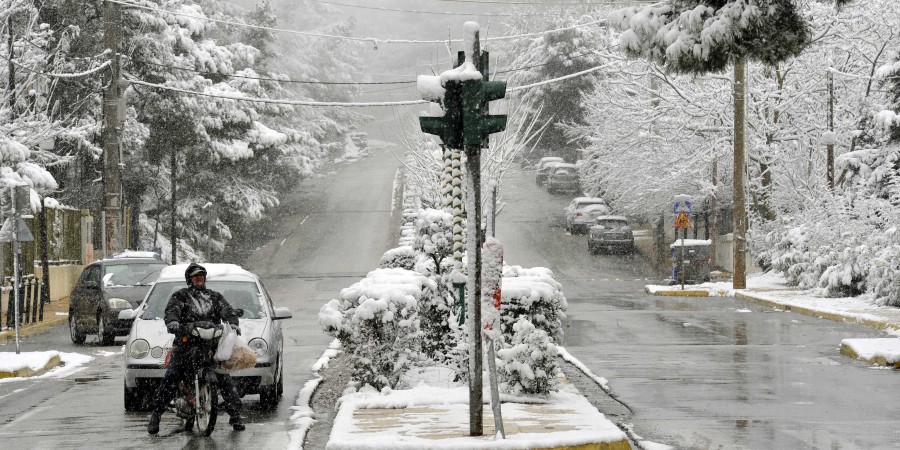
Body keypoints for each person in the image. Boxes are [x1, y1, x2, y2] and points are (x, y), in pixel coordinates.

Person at [147, 263, 245, 434]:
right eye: (195, 276)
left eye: (202, 275)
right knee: (172, 376)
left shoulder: (214, 297)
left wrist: (233, 323)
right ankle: (156, 414)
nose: (199, 278)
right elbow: (172, 311)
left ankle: (235, 416)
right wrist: (173, 322)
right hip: (186, 345)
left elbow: (227, 311)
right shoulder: (181, 296)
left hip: (210, 347)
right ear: (189, 279)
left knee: (224, 378)